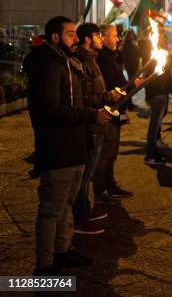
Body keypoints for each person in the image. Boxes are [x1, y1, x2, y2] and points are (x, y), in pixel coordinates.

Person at [26, 16, 112, 275]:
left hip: (74, 146)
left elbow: (78, 101)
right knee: (52, 209)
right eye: (70, 34)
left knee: (66, 205)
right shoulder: (48, 66)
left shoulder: (67, 62)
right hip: (57, 148)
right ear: (55, 37)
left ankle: (62, 251)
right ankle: (44, 266)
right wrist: (90, 116)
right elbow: (51, 109)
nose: (76, 39)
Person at [72, 23, 122, 235]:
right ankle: (80, 218)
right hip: (91, 123)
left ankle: (84, 210)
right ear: (87, 39)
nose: (102, 39)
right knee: (85, 174)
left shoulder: (91, 59)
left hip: (97, 121)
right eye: (98, 35)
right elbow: (88, 96)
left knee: (89, 170)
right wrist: (109, 97)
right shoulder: (84, 61)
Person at [95, 24, 137, 203]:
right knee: (105, 154)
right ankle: (101, 190)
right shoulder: (103, 59)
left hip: (116, 112)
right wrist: (133, 84)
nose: (118, 39)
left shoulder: (110, 57)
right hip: (108, 113)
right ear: (103, 37)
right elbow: (116, 83)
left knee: (111, 154)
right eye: (114, 35)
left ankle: (109, 185)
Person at [143, 26, 172, 165]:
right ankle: (150, 155)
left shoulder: (160, 53)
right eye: (162, 36)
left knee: (156, 125)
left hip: (161, 92)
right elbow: (159, 73)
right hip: (156, 93)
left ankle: (154, 149)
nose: (164, 38)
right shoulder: (154, 54)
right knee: (154, 126)